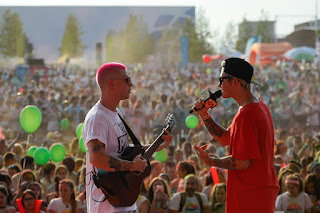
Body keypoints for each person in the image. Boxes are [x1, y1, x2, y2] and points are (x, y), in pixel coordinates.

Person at [83, 62, 173, 212]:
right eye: (126, 79)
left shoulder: (117, 113)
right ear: (111, 84)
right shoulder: (97, 118)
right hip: (106, 205)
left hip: (124, 201)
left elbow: (124, 152)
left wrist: (156, 146)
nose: (131, 84)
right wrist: (132, 166)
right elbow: (97, 158)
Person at [192, 58, 279, 213]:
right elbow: (226, 139)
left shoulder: (246, 114)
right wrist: (204, 115)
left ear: (235, 81)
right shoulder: (257, 107)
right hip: (257, 191)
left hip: (251, 194)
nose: (219, 85)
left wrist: (209, 160)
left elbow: (241, 163)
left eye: (221, 79)